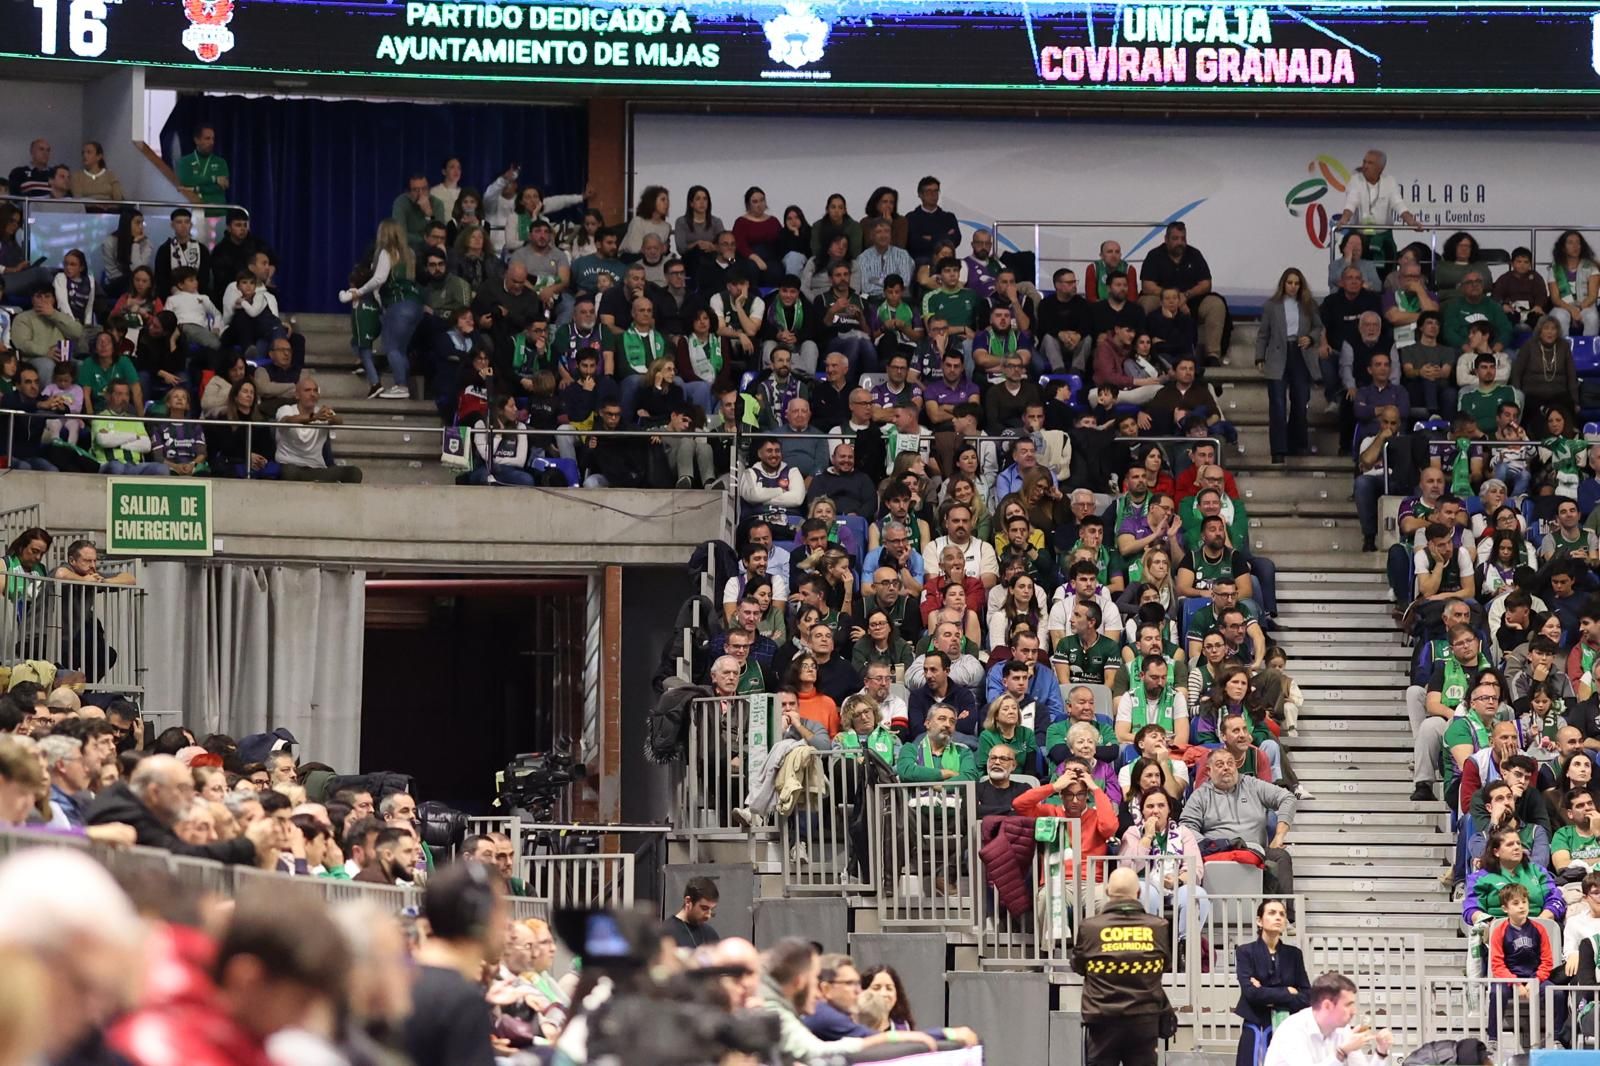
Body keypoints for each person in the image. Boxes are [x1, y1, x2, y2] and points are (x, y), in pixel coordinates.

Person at [403, 861, 504, 1066]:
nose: (507, 922)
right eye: (501, 910)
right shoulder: (463, 1001)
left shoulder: (400, 978)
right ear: (478, 915)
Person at [85, 753, 273, 862]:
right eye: (183, 789)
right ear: (154, 792)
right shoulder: (123, 812)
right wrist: (249, 843)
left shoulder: (138, 806)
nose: (190, 797)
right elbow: (180, 855)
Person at [1072, 866, 1171, 1066]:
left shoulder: (1090, 927)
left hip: (1102, 1019)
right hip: (1144, 1019)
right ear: (1139, 893)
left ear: (1107, 891)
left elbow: (1078, 966)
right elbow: (1165, 965)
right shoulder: (1158, 927)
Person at [1181, 747, 1298, 904]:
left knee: (1280, 857)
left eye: (1230, 763)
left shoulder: (1252, 785)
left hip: (1256, 851)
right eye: (1220, 764)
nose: (1226, 767)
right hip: (1218, 851)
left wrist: (1279, 836)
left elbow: (1288, 798)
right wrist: (1212, 845)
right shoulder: (1200, 795)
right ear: (1209, 771)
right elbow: (1186, 827)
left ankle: (1284, 916)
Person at [340, 219, 422, 399]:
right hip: (415, 305)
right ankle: (404, 384)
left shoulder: (386, 253)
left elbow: (379, 279)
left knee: (391, 347)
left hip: (398, 305)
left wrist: (359, 292)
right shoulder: (409, 254)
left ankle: (401, 385)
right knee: (401, 349)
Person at [1138, 222, 1226, 365]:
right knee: (1146, 303)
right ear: (1166, 239)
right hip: (1161, 299)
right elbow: (1147, 286)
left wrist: (1186, 296)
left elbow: (1206, 283)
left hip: (1190, 299)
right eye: (1175, 238)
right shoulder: (1154, 255)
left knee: (1216, 305)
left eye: (1183, 238)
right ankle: (1148, 350)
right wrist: (1172, 297)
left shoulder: (1194, 254)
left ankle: (1212, 355)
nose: (1180, 242)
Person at [1235, 899, 1310, 1066]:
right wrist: (1288, 992)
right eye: (1272, 913)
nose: (1278, 917)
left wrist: (1265, 992)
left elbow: (1306, 997)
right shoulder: (1245, 952)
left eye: (1282, 914)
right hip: (1255, 1023)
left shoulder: (1294, 954)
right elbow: (1251, 994)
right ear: (1259, 921)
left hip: (1287, 1024)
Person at [1262, 972, 1393, 1066]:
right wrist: (1342, 1052)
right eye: (1348, 1005)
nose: (1354, 1011)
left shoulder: (1343, 1030)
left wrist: (1381, 1051)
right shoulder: (1292, 1030)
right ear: (1327, 1005)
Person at [273, 373, 360, 483]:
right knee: (289, 472)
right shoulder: (286, 409)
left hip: (317, 468)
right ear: (297, 395)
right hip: (290, 465)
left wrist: (332, 417)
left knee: (354, 472)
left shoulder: (322, 412)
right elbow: (288, 420)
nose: (312, 394)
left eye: (315, 390)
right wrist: (314, 417)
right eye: (307, 390)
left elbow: (339, 421)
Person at [176, 124, 230, 204]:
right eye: (207, 139)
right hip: (193, 210)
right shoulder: (184, 161)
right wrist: (214, 179)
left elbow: (220, 187)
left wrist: (195, 189)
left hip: (216, 211)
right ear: (196, 140)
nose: (211, 142)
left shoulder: (221, 162)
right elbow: (185, 180)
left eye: (213, 139)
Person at [668, 875, 721, 948]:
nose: (708, 915)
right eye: (704, 908)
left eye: (712, 909)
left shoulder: (711, 934)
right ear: (688, 901)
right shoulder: (667, 933)